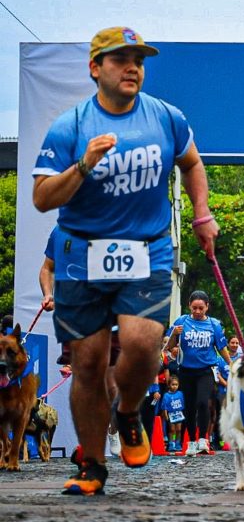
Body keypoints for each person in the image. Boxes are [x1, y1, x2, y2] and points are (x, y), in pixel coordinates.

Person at [31, 27, 218, 495]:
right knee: (90, 363)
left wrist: (202, 213)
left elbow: (191, 162)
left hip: (147, 247)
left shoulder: (166, 117)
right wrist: (83, 165)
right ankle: (92, 466)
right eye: (120, 59)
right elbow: (40, 198)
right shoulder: (70, 126)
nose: (132, 67)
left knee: (141, 345)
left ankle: (130, 411)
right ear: (96, 68)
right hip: (82, 254)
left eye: (138, 59)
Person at [166, 290, 232, 456]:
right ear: (189, 306)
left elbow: (221, 347)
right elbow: (169, 347)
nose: (197, 311)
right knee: (189, 406)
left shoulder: (214, 325)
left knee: (203, 402)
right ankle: (191, 442)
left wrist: (231, 364)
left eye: (200, 308)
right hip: (186, 370)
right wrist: (174, 334)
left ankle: (203, 439)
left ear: (207, 307)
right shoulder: (181, 321)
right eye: (194, 308)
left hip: (206, 370)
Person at [161, 376, 186, 452]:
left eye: (176, 384)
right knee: (172, 429)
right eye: (173, 384)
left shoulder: (180, 393)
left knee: (179, 429)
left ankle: (178, 443)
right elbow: (164, 406)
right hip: (171, 414)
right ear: (169, 385)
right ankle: (171, 443)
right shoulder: (166, 395)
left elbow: (183, 403)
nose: (175, 386)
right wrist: (165, 414)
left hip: (179, 413)